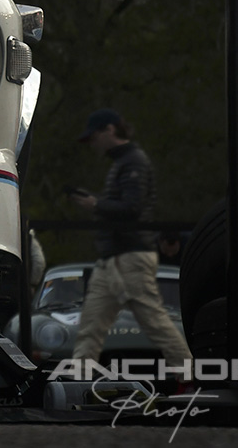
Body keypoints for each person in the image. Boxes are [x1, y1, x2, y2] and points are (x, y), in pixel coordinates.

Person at [70, 108, 192, 371]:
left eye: (94, 137)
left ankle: (190, 375)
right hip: (116, 258)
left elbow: (132, 209)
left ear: (110, 130)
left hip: (130, 256)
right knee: (91, 327)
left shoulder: (133, 161)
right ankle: (77, 382)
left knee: (154, 322)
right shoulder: (126, 162)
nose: (92, 144)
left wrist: (95, 205)